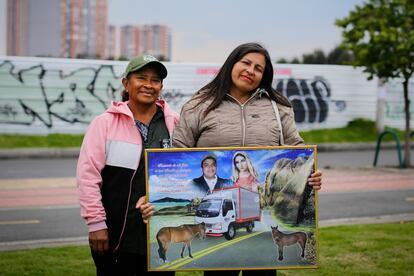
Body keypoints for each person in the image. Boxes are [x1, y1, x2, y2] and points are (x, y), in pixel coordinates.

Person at [172, 42, 322, 276]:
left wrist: (311, 175)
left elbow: (298, 149)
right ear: (232, 63)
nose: (251, 71)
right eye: (246, 63)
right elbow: (178, 151)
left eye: (259, 68)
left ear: (264, 76)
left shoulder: (278, 107)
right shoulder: (198, 105)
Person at [77, 54, 178, 276]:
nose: (149, 85)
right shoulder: (104, 123)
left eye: (155, 80)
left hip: (160, 235)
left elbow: (183, 174)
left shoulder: (175, 124)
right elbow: (88, 177)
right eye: (141, 77)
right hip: (114, 236)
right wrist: (96, 224)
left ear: (161, 86)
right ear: (126, 83)